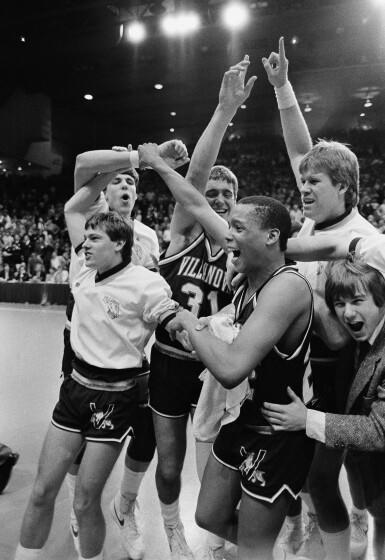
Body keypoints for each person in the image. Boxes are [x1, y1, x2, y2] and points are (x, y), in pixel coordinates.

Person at [262, 36, 378, 559]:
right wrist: (284, 87)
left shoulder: (367, 241)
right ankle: (330, 524)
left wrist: (297, 284)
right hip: (303, 360)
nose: (302, 188)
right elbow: (297, 150)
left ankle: (342, 534)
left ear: (345, 190)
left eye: (314, 182)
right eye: (301, 181)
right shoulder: (315, 214)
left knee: (325, 476)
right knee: (312, 477)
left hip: (341, 372)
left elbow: (343, 331)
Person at [13, 197, 180, 560]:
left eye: (94, 238)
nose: (84, 244)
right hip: (74, 389)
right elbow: (73, 206)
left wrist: (202, 331)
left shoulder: (148, 284)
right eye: (84, 238)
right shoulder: (82, 270)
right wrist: (120, 165)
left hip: (115, 398)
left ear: (119, 243)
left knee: (87, 501)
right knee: (42, 492)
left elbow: (174, 321)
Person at [139, 57, 256, 560]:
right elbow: (198, 172)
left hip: (219, 371)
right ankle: (170, 528)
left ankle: (213, 538)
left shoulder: (238, 244)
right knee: (170, 465)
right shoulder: (185, 233)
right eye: (212, 194)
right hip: (170, 361)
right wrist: (223, 111)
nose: (221, 198)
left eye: (228, 194)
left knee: (214, 470)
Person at [161, 193, 314, 560]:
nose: (228, 235)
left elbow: (230, 369)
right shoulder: (247, 283)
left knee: (251, 549)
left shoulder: (287, 286)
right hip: (243, 418)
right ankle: (262, 547)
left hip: (277, 432)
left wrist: (185, 320)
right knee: (208, 515)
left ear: (271, 237)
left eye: (238, 228)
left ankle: (260, 548)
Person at [63, 139, 188, 559]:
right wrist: (140, 157)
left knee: (146, 434)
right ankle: (80, 508)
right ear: (105, 190)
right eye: (116, 181)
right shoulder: (89, 221)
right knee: (79, 434)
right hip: (84, 352)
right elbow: (83, 162)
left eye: (131, 183)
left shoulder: (150, 237)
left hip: (133, 358)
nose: (124, 188)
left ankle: (125, 506)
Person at [262, 255, 385, 560]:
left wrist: (308, 420)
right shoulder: (361, 337)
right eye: (339, 304)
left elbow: (378, 430)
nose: (347, 312)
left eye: (357, 300)